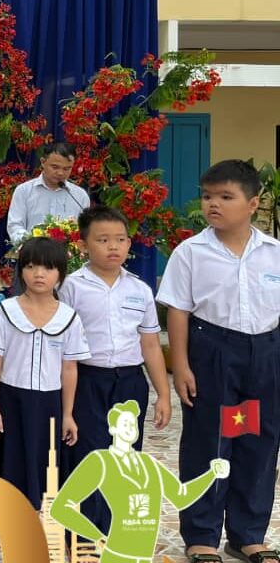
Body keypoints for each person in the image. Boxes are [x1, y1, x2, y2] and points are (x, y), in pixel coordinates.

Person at [156, 159, 280, 563]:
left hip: (264, 355)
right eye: (208, 196)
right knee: (210, 441)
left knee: (258, 443)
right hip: (212, 352)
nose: (214, 204)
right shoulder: (191, 252)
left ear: (253, 203)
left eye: (226, 197)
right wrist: (181, 366)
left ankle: (247, 534)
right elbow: (178, 311)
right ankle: (202, 535)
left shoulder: (274, 253)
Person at [59, 205, 171, 536]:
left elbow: (150, 344)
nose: (113, 247)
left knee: (125, 456)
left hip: (130, 382)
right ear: (83, 245)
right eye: (103, 239)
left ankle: (116, 532)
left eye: (121, 239)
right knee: (89, 454)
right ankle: (84, 536)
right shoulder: (71, 287)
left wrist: (164, 394)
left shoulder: (140, 289)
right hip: (87, 380)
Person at [51, 400, 229, 563]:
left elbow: (181, 497)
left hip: (145, 558)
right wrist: (97, 537)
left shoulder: (148, 463)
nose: (130, 428)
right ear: (113, 428)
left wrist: (211, 474)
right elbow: (60, 507)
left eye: (133, 424)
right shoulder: (100, 462)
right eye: (125, 424)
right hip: (116, 556)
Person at [0, 236, 89, 510]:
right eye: (31, 266)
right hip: (11, 401)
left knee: (46, 471)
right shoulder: (5, 311)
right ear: (21, 271)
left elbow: (69, 368)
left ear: (60, 273)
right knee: (11, 468)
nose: (39, 274)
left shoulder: (69, 317)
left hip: (49, 404)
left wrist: (68, 414)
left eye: (48, 267)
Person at [6, 142, 90, 244]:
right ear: (43, 162)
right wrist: (33, 244)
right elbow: (15, 226)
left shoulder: (80, 196)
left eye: (67, 169)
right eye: (55, 167)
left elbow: (86, 231)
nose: (60, 173)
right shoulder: (24, 191)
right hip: (33, 251)